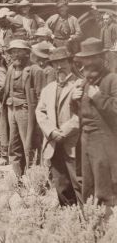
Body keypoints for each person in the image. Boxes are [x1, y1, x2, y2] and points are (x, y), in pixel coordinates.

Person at [72, 38, 117, 207]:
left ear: (101, 58)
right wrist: (74, 100)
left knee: (105, 186)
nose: (87, 63)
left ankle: (107, 227)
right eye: (85, 59)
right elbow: (82, 113)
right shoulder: (85, 82)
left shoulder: (112, 79)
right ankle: (90, 225)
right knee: (88, 185)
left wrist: (98, 97)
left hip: (105, 141)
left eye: (92, 58)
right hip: (86, 139)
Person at [35, 47, 82, 206]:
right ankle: (68, 220)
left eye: (62, 62)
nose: (59, 66)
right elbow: (40, 112)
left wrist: (64, 131)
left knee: (79, 184)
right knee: (61, 185)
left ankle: (87, 222)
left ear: (70, 62)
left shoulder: (79, 84)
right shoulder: (48, 89)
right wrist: (51, 131)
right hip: (54, 142)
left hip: (74, 143)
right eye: (56, 63)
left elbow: (82, 114)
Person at [3, 39, 36, 177]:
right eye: (13, 52)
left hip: (25, 110)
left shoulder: (32, 70)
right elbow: (5, 90)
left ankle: (34, 177)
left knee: (28, 144)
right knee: (13, 144)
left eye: (18, 51)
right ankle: (18, 178)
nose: (15, 55)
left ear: (26, 53)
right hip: (11, 109)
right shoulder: (11, 69)